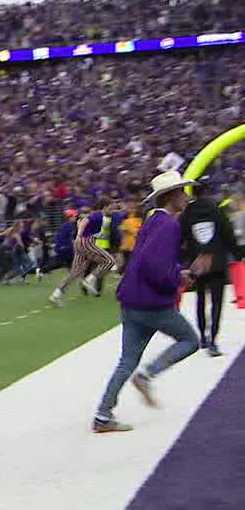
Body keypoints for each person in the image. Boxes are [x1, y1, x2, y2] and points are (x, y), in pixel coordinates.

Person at [93, 172, 211, 433]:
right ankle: (148, 375)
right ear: (171, 196)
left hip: (132, 301)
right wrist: (179, 278)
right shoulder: (169, 225)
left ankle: (103, 416)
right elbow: (154, 266)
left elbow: (148, 261)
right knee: (190, 340)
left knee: (127, 361)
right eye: (182, 192)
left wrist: (179, 272)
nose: (186, 197)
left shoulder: (153, 220)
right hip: (152, 303)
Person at [181, 184, 240, 357]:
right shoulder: (217, 210)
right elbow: (228, 234)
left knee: (200, 299)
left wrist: (186, 258)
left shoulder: (187, 213)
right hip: (217, 262)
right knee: (216, 302)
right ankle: (213, 340)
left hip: (197, 263)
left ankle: (202, 337)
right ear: (206, 192)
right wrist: (237, 254)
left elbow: (182, 237)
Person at [50, 201, 116, 306]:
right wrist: (80, 235)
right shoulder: (99, 215)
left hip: (82, 243)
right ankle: (89, 279)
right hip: (86, 243)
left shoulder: (97, 216)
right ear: (105, 207)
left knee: (75, 272)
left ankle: (56, 295)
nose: (112, 210)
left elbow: (83, 222)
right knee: (110, 261)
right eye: (110, 208)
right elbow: (85, 221)